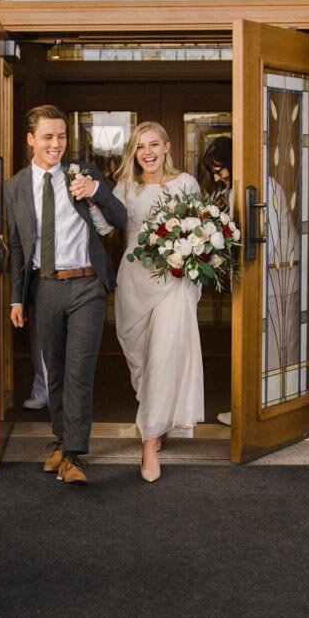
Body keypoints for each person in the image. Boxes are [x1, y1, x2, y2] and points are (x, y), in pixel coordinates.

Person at [4, 105, 126, 485]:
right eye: (48, 137)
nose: (56, 144)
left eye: (61, 136)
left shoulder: (83, 173)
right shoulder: (16, 187)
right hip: (45, 287)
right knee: (54, 371)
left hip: (87, 285)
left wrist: (97, 193)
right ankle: (61, 440)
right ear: (31, 140)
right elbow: (19, 248)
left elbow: (120, 218)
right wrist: (17, 299)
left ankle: (74, 455)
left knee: (79, 371)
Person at [112, 122, 204, 482]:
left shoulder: (186, 184)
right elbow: (103, 225)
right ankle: (156, 416)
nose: (146, 152)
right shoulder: (125, 187)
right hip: (134, 281)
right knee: (142, 361)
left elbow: (200, 228)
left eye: (153, 144)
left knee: (165, 355)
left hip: (174, 281)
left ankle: (149, 444)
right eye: (139, 147)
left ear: (167, 147)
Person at [202, 137, 235, 426]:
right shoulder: (230, 193)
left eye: (220, 169)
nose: (217, 177)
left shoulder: (245, 192)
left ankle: (246, 410)